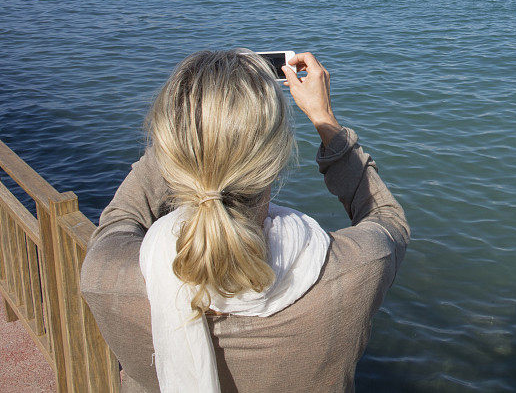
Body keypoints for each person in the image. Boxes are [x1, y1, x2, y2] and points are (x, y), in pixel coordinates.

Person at [80, 49, 410, 393]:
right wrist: (324, 120)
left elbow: (122, 216)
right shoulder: (354, 273)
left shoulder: (104, 276)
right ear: (277, 156)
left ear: (170, 145)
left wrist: (195, 128)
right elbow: (388, 220)